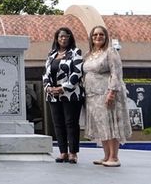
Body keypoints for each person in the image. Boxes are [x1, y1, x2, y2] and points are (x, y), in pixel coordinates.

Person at [82, 25, 131, 168]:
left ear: (106, 37)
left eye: (101, 35)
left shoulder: (110, 52)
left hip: (106, 93)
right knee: (101, 125)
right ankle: (106, 155)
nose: (98, 37)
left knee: (110, 125)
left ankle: (114, 157)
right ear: (91, 38)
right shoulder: (89, 54)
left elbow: (116, 72)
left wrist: (112, 92)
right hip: (92, 95)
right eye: (95, 35)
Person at [42, 27, 84, 164]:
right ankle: (63, 152)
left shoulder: (75, 52)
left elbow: (77, 73)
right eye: (61, 36)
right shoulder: (51, 54)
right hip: (53, 95)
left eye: (66, 36)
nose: (63, 39)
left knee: (71, 123)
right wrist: (49, 88)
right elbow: (46, 74)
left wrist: (62, 88)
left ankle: (73, 153)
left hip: (70, 94)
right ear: (56, 39)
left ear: (70, 38)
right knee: (58, 124)